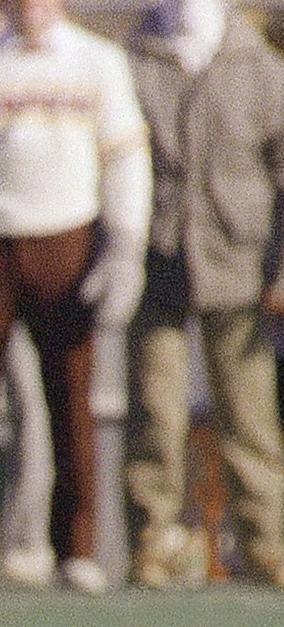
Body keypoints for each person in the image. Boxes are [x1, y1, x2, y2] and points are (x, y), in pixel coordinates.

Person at [0, 0, 148, 596]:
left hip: (67, 238)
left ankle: (76, 548)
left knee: (70, 397)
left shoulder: (99, 61)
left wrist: (125, 245)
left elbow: (125, 157)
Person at [121, 0, 284, 591]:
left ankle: (266, 542)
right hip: (158, 253)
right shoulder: (133, 60)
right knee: (154, 408)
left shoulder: (259, 67)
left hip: (239, 256)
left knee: (248, 415)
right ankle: (153, 538)